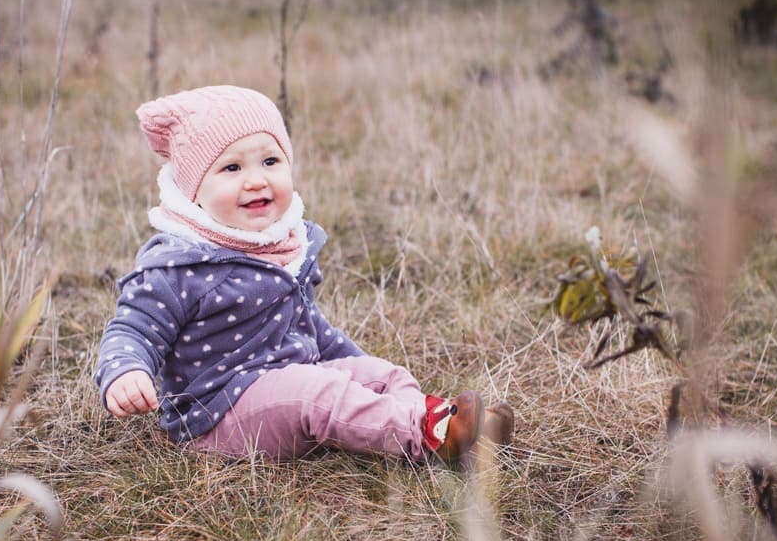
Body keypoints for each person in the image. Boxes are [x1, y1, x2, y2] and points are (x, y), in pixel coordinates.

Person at [95, 85, 511, 464]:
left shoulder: (282, 247)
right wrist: (125, 371)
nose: (256, 180)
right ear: (193, 192)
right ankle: (428, 441)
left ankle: (443, 423)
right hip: (221, 415)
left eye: (270, 161)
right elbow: (132, 330)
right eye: (231, 169)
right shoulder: (181, 264)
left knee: (383, 374)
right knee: (317, 394)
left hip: (291, 380)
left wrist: (359, 373)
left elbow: (310, 327)